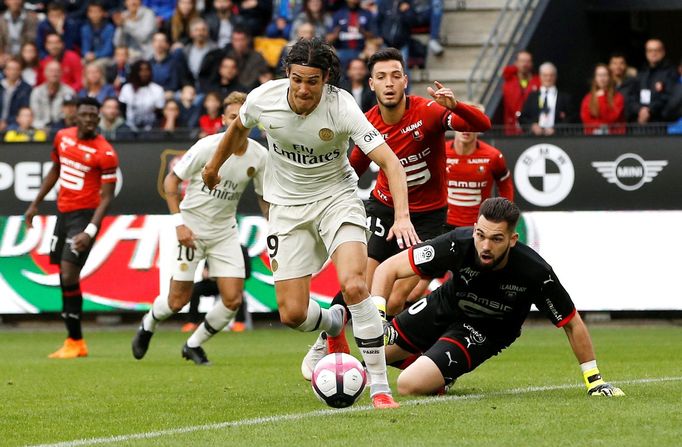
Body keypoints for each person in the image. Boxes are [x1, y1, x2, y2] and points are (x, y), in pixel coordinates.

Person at [201, 38, 417, 409]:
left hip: (337, 199)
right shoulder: (263, 99)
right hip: (285, 208)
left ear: (327, 80)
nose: (304, 89)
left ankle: (379, 387)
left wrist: (402, 216)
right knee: (292, 314)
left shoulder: (342, 107)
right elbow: (238, 129)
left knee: (354, 285)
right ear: (287, 74)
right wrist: (212, 166)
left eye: (312, 82)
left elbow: (391, 163)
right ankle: (333, 324)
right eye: (297, 80)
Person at [301, 48, 490, 364]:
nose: (388, 83)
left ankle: (384, 357)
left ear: (405, 81)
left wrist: (456, 106)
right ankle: (328, 338)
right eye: (381, 77)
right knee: (360, 281)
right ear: (371, 84)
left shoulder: (427, 112)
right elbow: (353, 170)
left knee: (402, 296)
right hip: (384, 210)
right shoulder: (367, 124)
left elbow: (480, 123)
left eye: (395, 76)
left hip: (428, 217)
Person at [373, 197, 625, 398]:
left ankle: (439, 373)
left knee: (408, 384)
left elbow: (571, 322)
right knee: (371, 357)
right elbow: (388, 269)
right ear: (474, 230)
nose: (485, 245)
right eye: (480, 235)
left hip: (486, 329)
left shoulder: (535, 272)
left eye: (496, 239)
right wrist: (379, 319)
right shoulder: (456, 243)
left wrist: (594, 380)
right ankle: (435, 364)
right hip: (446, 305)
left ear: (512, 240)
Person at [132, 91, 269, 365]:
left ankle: (193, 344)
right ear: (223, 119)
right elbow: (171, 182)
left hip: (225, 232)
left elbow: (264, 198)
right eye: (232, 117)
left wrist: (275, 228)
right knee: (176, 301)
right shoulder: (207, 147)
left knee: (232, 300)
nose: (237, 123)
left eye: (242, 117)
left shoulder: (259, 156)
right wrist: (179, 224)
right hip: (191, 229)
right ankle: (148, 324)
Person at [24, 97, 119, 359]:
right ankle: (73, 341)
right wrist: (35, 204)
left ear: (99, 119)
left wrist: (90, 231)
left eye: (93, 115)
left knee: (67, 275)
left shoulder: (105, 152)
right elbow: (56, 168)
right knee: (65, 276)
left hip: (85, 216)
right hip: (63, 213)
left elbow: (108, 197)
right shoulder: (62, 138)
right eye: (85, 114)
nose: (89, 119)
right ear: (75, 116)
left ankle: (76, 340)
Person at [444, 128, 513, 231]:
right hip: (444, 224)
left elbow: (505, 185)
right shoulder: (440, 152)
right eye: (461, 124)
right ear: (453, 126)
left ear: (478, 126)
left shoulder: (493, 156)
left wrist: (504, 215)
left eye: (471, 125)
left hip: (480, 225)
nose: (466, 129)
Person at [628, 39, 678, 125]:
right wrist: (639, 110)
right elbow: (632, 95)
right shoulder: (641, 72)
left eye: (656, 50)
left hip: (661, 123)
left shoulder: (670, 72)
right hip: (640, 121)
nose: (653, 53)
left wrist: (649, 110)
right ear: (646, 53)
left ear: (663, 52)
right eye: (650, 50)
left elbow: (670, 97)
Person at [519, 62, 573, 136]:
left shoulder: (564, 97)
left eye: (551, 75)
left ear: (556, 77)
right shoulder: (532, 96)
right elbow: (523, 118)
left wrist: (556, 129)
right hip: (534, 138)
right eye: (545, 75)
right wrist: (532, 126)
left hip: (558, 138)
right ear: (540, 76)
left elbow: (571, 118)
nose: (548, 78)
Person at [118, 60, 165, 131]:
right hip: (129, 128)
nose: (144, 73)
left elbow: (159, 114)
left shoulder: (157, 89)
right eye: (141, 70)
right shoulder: (127, 88)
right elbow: (122, 109)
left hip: (151, 129)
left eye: (147, 70)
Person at [501, 50, 540, 135]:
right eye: (522, 61)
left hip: (532, 128)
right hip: (512, 128)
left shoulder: (538, 82)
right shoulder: (509, 82)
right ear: (516, 63)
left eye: (528, 61)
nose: (525, 64)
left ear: (532, 64)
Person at [29, 60, 76, 129]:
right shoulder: (37, 92)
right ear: (45, 73)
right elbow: (34, 114)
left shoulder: (69, 91)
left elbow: (70, 115)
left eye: (57, 71)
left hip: (62, 128)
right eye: (51, 71)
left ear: (61, 73)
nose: (54, 74)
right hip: (40, 128)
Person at [580, 64, 625, 135]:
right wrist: (599, 127)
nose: (602, 78)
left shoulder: (618, 97)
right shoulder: (588, 98)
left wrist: (602, 97)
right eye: (599, 75)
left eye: (605, 75)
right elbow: (586, 119)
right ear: (595, 78)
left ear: (609, 77)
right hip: (593, 138)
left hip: (614, 137)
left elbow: (611, 118)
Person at [0, 57, 32, 131]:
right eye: (10, 69)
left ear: (20, 71)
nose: (13, 72)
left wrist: (6, 122)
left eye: (16, 69)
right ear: (5, 71)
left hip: (15, 123)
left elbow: (23, 110)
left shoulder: (26, 89)